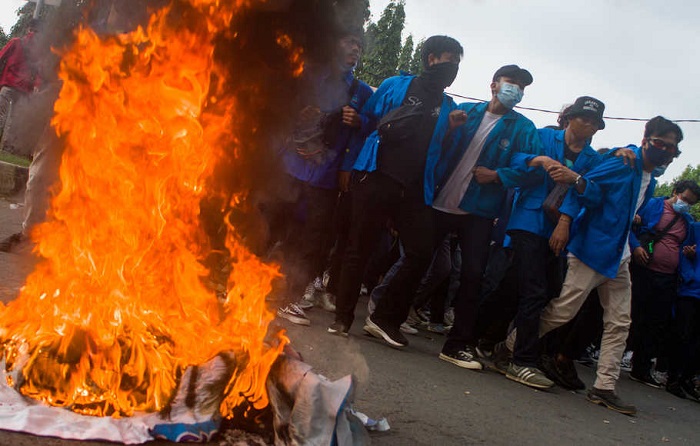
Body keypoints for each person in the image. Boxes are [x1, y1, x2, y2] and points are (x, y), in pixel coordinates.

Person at [538, 116, 684, 415]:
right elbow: (585, 185)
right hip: (591, 250)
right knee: (564, 309)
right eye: (661, 144)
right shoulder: (622, 162)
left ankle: (604, 386)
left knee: (619, 323)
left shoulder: (650, 179)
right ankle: (515, 345)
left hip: (619, 257)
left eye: (672, 149)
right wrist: (564, 223)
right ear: (645, 141)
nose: (666, 151)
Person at [329, 35, 464, 339]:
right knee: (358, 249)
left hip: (415, 191)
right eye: (450, 59)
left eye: (457, 62)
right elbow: (368, 121)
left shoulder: (448, 106)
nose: (453, 66)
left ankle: (384, 317)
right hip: (376, 177)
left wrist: (452, 129)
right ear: (430, 58)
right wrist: (350, 165)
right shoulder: (395, 85)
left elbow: (441, 153)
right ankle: (343, 317)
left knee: (421, 251)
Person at [429, 65, 543, 370]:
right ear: (494, 85)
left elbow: (531, 170)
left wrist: (498, 175)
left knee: (473, 275)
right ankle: (386, 317)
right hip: (439, 200)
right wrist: (450, 128)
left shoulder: (524, 128)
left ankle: (457, 344)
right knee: (416, 260)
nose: (516, 90)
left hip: (478, 212)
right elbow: (433, 144)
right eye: (511, 83)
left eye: (521, 87)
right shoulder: (465, 112)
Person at [499, 96, 607, 389]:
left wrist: (577, 181)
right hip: (528, 220)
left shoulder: (595, 160)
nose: (587, 124)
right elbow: (515, 160)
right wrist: (540, 160)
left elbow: (596, 196)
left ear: (598, 129)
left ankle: (489, 341)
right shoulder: (544, 136)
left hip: (560, 233)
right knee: (533, 291)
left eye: (594, 122)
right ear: (569, 117)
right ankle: (521, 361)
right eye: (582, 118)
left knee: (531, 289)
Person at [273, 28, 373, 326]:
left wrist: (360, 121)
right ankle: (242, 285)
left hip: (325, 177)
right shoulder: (308, 75)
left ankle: (289, 298)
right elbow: (275, 107)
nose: (354, 48)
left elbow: (369, 133)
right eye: (349, 40)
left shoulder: (362, 92)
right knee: (270, 225)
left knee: (311, 240)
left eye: (358, 44)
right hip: (289, 167)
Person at [628, 180, 699, 387]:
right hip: (643, 270)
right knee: (632, 315)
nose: (685, 204)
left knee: (655, 322)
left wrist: (690, 255)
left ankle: (640, 367)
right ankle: (612, 356)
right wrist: (635, 247)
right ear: (675, 192)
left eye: (691, 203)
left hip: (668, 277)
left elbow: (686, 246)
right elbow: (632, 227)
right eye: (684, 199)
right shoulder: (652, 205)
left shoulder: (687, 221)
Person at [667, 221, 700, 400]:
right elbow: (682, 252)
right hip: (691, 291)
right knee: (683, 335)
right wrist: (689, 277)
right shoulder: (695, 228)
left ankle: (687, 378)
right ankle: (673, 378)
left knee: (697, 341)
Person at [0, 19, 41, 148]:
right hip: (24, 90)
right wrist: (36, 86)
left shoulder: (16, 42)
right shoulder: (38, 52)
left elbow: (1, 57)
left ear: (28, 28)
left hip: (8, 85)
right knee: (13, 121)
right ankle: (6, 147)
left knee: (0, 114)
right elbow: (39, 71)